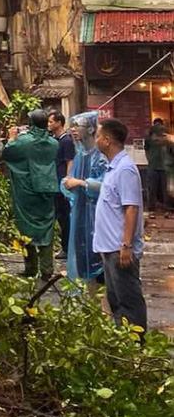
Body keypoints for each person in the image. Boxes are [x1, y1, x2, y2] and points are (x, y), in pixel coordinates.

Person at [93, 118, 147, 331]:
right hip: (109, 248)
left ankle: (136, 345)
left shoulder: (125, 169)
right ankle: (122, 344)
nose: (96, 140)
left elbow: (131, 208)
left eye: (98, 136)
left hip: (120, 249)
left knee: (129, 301)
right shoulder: (112, 168)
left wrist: (126, 245)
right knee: (115, 300)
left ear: (107, 140)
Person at [0, 110, 60, 279]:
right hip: (47, 189)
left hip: (26, 189)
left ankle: (31, 267)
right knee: (47, 229)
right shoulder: (54, 143)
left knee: (25, 227)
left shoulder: (24, 141)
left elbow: (7, 152)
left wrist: (11, 137)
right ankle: (47, 269)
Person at [61, 112, 107, 283]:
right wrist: (66, 183)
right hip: (79, 212)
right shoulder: (80, 155)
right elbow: (71, 179)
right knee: (81, 254)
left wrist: (80, 183)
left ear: (89, 128)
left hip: (97, 214)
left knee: (97, 257)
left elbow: (106, 186)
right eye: (71, 126)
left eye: (77, 126)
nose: (73, 130)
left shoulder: (100, 156)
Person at [50, 111, 76, 259]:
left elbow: (69, 161)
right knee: (58, 216)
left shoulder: (66, 141)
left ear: (59, 123)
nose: (49, 125)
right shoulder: (55, 140)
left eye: (51, 122)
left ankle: (66, 248)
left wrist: (67, 180)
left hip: (62, 184)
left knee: (64, 217)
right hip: (54, 183)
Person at [145, 117, 168, 214]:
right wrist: (150, 160)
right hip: (153, 167)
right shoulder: (149, 139)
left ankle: (167, 210)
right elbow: (146, 150)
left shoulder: (166, 138)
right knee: (152, 188)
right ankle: (151, 209)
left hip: (164, 167)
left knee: (165, 190)